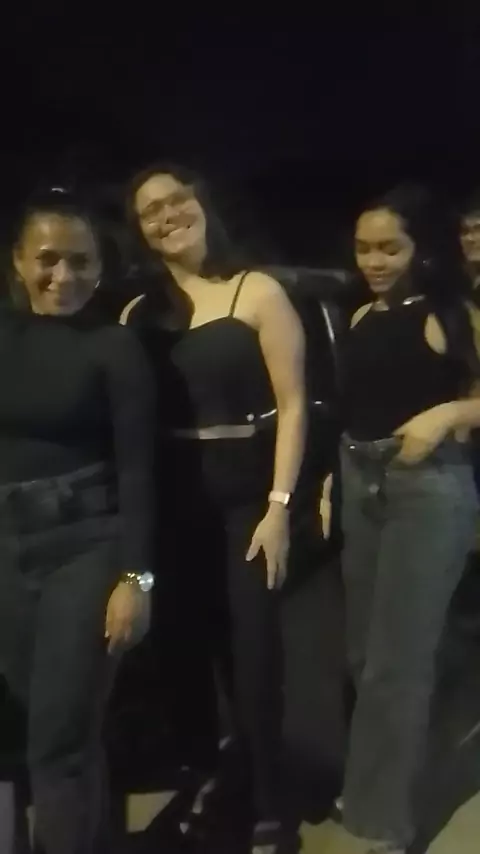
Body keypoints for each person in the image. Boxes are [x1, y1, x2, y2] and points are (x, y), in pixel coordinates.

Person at [121, 163, 306, 849]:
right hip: (175, 502)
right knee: (185, 658)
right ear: (140, 231)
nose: (167, 215)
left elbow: (293, 405)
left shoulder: (257, 290)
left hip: (245, 498)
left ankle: (270, 800)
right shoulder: (140, 313)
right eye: (150, 211)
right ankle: (210, 781)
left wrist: (280, 505)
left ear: (202, 204)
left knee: (254, 659)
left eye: (176, 200)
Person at [320, 186, 480, 854]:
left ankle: (383, 822)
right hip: (359, 480)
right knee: (365, 654)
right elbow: (354, 403)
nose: (375, 261)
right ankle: (376, 784)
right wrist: (331, 477)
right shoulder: (360, 317)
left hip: (426, 488)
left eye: (390, 247)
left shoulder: (451, 312)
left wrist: (449, 414)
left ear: (421, 249)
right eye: (364, 248)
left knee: (396, 663)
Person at [0, 186, 155, 854]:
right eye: (48, 259)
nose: (63, 276)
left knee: (58, 742)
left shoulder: (114, 348)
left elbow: (140, 471)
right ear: (18, 260)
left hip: (86, 549)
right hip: (8, 551)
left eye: (81, 261)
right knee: (55, 730)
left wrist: (136, 580)